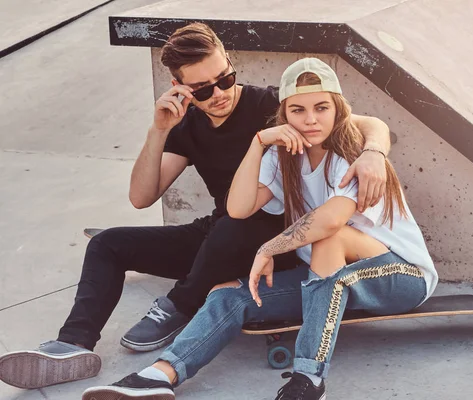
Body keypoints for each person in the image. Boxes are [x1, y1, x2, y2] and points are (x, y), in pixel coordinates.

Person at [0, 23, 391, 390]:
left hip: (277, 241)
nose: (218, 93)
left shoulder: (272, 104)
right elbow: (141, 197)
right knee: (107, 244)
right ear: (180, 88)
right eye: (202, 89)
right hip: (220, 237)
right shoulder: (187, 127)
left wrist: (373, 152)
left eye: (225, 79)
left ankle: (179, 304)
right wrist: (160, 129)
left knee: (237, 225)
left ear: (230, 65)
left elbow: (365, 122)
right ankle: (73, 346)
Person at [79, 58, 436, 400]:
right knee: (226, 294)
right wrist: (258, 142)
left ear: (338, 109)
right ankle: (162, 374)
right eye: (298, 110)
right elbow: (238, 208)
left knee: (330, 239)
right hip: (328, 278)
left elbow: (330, 221)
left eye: (321, 108)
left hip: (400, 274)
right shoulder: (284, 157)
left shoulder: (357, 155)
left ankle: (309, 379)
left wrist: (269, 248)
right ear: (284, 114)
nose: (311, 119)